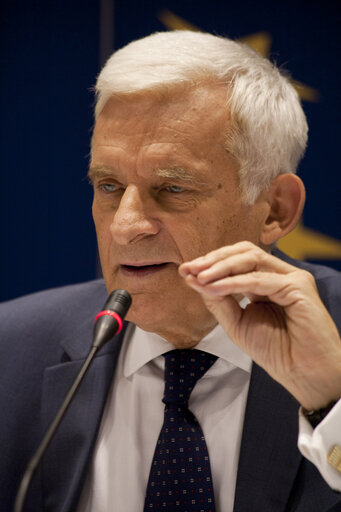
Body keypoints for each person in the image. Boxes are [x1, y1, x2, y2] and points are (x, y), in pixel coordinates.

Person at [0, 30, 340, 512]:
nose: (125, 227)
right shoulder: (9, 352)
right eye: (110, 186)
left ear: (274, 210)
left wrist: (331, 405)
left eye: (173, 189)